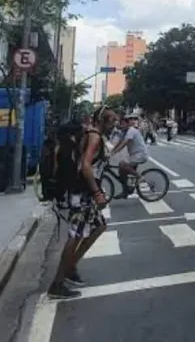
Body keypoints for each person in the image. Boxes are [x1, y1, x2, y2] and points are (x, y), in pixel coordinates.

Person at [47, 108, 113, 299]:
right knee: (75, 236)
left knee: (99, 227)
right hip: (82, 194)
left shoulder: (91, 134)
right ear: (102, 121)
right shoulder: (94, 136)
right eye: (112, 121)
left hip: (84, 194)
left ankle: (70, 267)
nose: (114, 125)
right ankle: (57, 284)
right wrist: (97, 192)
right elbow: (85, 165)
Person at [110, 115, 149, 197]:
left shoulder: (132, 130)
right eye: (121, 124)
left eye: (124, 124)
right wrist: (111, 152)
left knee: (123, 165)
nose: (122, 126)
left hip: (140, 154)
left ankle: (140, 176)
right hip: (134, 155)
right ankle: (126, 190)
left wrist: (114, 153)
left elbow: (124, 143)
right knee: (121, 169)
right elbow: (119, 142)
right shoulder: (124, 132)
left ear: (128, 124)